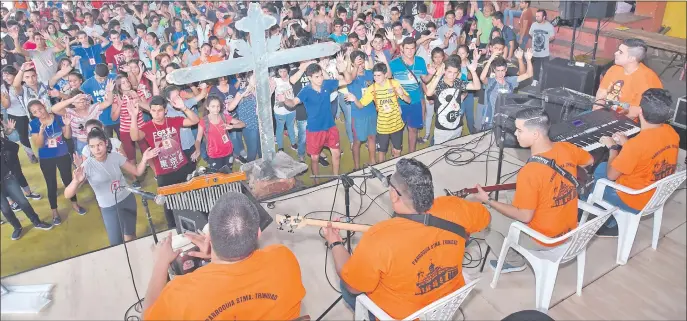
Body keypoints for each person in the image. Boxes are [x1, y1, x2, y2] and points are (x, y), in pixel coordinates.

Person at [324, 158, 490, 319]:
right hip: (445, 302)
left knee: (346, 285)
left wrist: (335, 242)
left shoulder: (379, 238)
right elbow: (486, 218)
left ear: (394, 196)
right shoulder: (455, 206)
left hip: (404, 315)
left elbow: (352, 287)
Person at [143, 192, 305, 320]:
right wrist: (213, 258)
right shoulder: (284, 259)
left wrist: (160, 264)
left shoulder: (181, 293)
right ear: (258, 233)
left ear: (208, 238)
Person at [473, 108, 593, 273]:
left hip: (543, 239)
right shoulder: (566, 148)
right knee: (511, 197)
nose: (515, 133)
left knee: (484, 216)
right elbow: (589, 160)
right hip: (569, 228)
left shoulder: (530, 172)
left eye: (520, 130)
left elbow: (525, 216)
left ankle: (515, 261)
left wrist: (488, 200)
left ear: (535, 134)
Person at [594, 88, 679, 237]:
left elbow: (611, 175)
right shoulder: (671, 133)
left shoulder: (637, 145)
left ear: (640, 111)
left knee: (600, 170)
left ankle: (609, 221)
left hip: (634, 199)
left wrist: (613, 147)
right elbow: (648, 153)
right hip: (657, 194)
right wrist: (627, 144)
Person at [64, 128, 157, 246]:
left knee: (131, 235)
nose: (96, 149)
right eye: (92, 146)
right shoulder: (86, 166)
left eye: (99, 144)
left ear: (106, 143)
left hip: (127, 199)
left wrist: (144, 159)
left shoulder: (115, 156)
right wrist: (76, 182)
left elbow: (137, 172)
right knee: (116, 243)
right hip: (108, 208)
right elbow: (68, 194)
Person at [129, 95, 199, 228]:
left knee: (189, 199)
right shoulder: (148, 127)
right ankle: (173, 228)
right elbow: (134, 136)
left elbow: (194, 120)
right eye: (153, 110)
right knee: (169, 206)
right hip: (164, 173)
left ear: (165, 110)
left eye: (159, 110)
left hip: (182, 166)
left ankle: (193, 223)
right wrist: (133, 116)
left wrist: (183, 107)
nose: (156, 113)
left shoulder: (174, 121)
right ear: (150, 111)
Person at [284, 62, 349, 184]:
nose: (320, 79)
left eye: (321, 75)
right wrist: (285, 100)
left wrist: (344, 70)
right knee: (314, 158)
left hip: (330, 127)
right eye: (316, 77)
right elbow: (293, 103)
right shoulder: (305, 91)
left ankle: (336, 178)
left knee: (336, 154)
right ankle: (316, 181)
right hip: (314, 130)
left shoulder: (327, 84)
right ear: (309, 78)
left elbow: (347, 81)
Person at [29, 100, 86, 225]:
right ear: (33, 114)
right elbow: (38, 144)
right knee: (51, 184)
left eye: (40, 109)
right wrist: (41, 131)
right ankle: (54, 211)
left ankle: (75, 204)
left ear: (44, 106)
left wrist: (67, 125)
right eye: (35, 112)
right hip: (46, 158)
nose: (39, 113)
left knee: (68, 180)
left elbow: (67, 136)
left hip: (62, 154)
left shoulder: (58, 117)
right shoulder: (34, 124)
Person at [1, 120, 52, 240]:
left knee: (22, 201)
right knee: (5, 208)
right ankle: (17, 227)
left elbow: (14, 147)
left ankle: (37, 222)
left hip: (7, 177)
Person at [594, 39, 663, 119]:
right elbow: (602, 92)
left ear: (631, 58)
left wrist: (610, 121)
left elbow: (634, 113)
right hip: (607, 114)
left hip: (628, 121)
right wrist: (597, 109)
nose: (615, 53)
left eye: (620, 52)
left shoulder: (647, 79)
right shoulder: (614, 69)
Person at [425, 56, 481, 144]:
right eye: (449, 72)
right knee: (439, 154)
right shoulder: (439, 84)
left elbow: (477, 86)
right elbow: (428, 93)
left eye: (455, 73)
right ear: (445, 71)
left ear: (458, 72)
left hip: (457, 126)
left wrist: (473, 71)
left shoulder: (458, 83)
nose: (452, 75)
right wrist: (438, 76)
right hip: (442, 128)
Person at [389, 37, 432, 154]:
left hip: (415, 101)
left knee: (413, 129)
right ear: (402, 48)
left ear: (415, 48)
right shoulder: (393, 63)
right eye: (407, 48)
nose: (409, 51)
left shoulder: (420, 61)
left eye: (412, 48)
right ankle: (396, 154)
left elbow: (425, 79)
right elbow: (387, 81)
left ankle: (412, 155)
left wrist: (432, 74)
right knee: (396, 130)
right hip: (399, 103)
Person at [479, 48, 533, 130]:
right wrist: (491, 59)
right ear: (494, 70)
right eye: (498, 70)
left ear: (506, 70)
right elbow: (482, 77)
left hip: (505, 121)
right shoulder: (491, 82)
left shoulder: (511, 81)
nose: (500, 73)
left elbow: (528, 74)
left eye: (503, 70)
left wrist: (529, 60)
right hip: (490, 121)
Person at [192, 95, 245, 171]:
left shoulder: (224, 117)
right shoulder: (203, 122)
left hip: (228, 152)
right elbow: (198, 140)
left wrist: (232, 127)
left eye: (218, 106)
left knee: (228, 173)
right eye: (213, 106)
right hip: (214, 155)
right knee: (217, 176)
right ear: (207, 107)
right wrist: (197, 150)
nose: (216, 109)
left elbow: (242, 124)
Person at [529, 9, 554, 83]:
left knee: (546, 69)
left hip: (545, 53)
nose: (537, 18)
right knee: (535, 67)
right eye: (536, 16)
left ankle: (544, 83)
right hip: (535, 52)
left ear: (544, 17)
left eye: (538, 16)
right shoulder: (534, 25)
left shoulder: (549, 26)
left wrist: (545, 41)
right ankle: (535, 80)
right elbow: (530, 34)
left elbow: (552, 37)